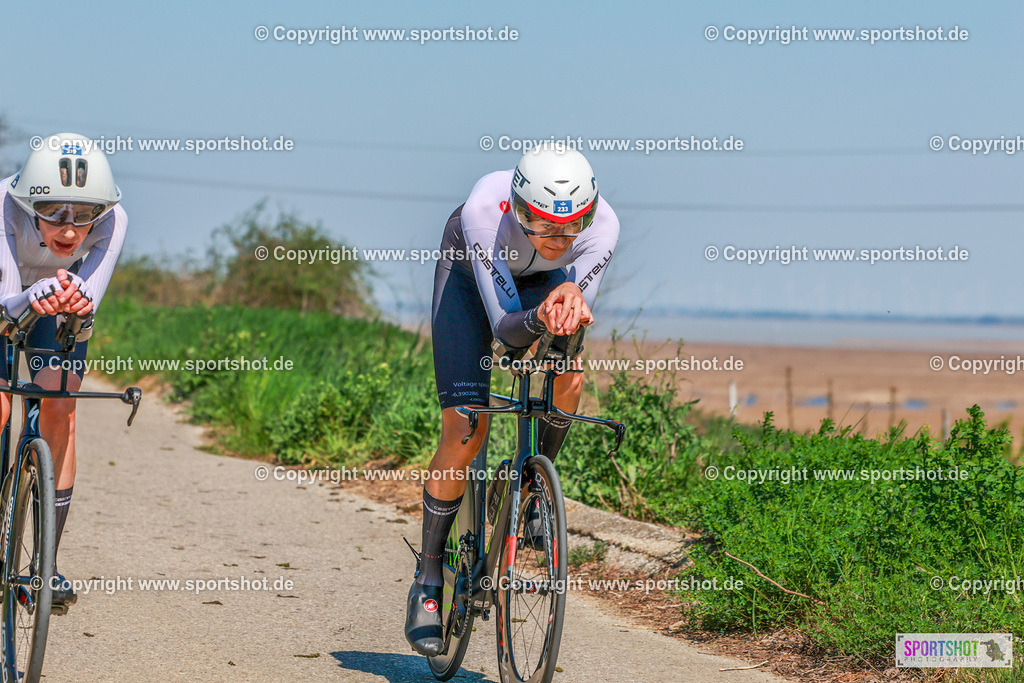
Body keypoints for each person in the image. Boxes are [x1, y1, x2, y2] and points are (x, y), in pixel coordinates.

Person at [405, 143, 619, 655]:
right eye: (541, 225)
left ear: (588, 215)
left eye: (570, 229)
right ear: (519, 208)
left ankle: (531, 491)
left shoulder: (604, 226)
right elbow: (505, 328)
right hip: (468, 278)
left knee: (569, 371)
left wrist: (568, 306)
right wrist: (541, 317)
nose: (556, 239)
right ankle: (429, 575)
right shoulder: (485, 210)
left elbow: (572, 299)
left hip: (540, 288)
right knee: (465, 427)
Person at [1, 132, 127, 612]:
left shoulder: (116, 222)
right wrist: (35, 297)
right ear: (28, 200)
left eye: (86, 213)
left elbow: (88, 302)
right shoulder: (2, 208)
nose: (71, 230)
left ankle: (44, 567)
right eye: (53, 209)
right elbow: (7, 301)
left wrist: (77, 304)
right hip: (6, 295)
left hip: (56, 301)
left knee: (61, 406)